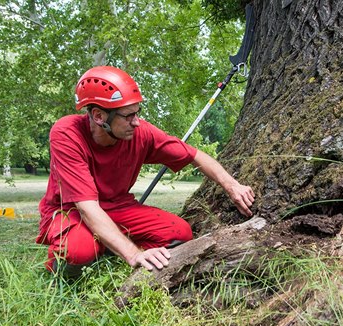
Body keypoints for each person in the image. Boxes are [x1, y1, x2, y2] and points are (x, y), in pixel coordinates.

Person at [36, 66, 255, 277]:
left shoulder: (141, 134)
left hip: (118, 207)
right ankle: (67, 264)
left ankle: (106, 244)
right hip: (70, 211)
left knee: (180, 232)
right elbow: (87, 208)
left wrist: (232, 185)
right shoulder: (66, 133)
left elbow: (194, 155)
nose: (137, 122)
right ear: (99, 116)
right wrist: (133, 254)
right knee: (80, 251)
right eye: (128, 115)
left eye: (137, 113)